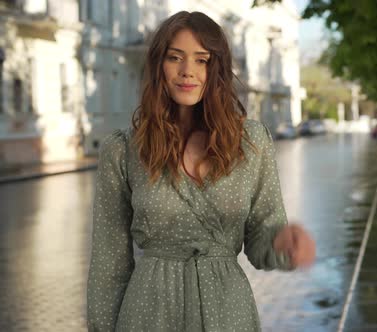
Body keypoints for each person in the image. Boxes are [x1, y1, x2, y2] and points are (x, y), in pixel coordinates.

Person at [86, 11, 316, 332]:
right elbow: (108, 263)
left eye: (202, 60)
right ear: (158, 66)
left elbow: (262, 237)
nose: (187, 72)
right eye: (175, 58)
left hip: (228, 314)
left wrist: (283, 243)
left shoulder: (250, 142)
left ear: (217, 69)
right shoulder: (123, 150)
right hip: (147, 314)